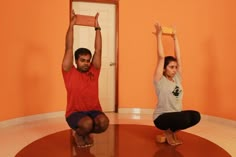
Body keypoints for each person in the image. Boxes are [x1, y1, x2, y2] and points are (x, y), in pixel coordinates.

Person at [62, 10, 109, 148]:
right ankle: (79, 133)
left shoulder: (94, 71)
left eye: (88, 60)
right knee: (87, 123)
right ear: (76, 61)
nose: (86, 63)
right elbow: (69, 48)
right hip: (74, 113)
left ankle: (85, 132)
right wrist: (71, 25)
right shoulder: (69, 71)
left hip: (93, 110)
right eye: (82, 60)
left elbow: (98, 50)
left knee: (104, 122)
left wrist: (97, 27)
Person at [152, 22, 201, 146]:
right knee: (183, 118)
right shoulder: (159, 80)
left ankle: (171, 131)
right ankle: (168, 132)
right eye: (171, 67)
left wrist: (175, 37)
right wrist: (159, 36)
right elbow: (161, 57)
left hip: (175, 116)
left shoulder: (177, 78)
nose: (174, 70)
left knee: (195, 116)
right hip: (161, 117)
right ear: (164, 68)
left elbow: (179, 58)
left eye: (175, 67)